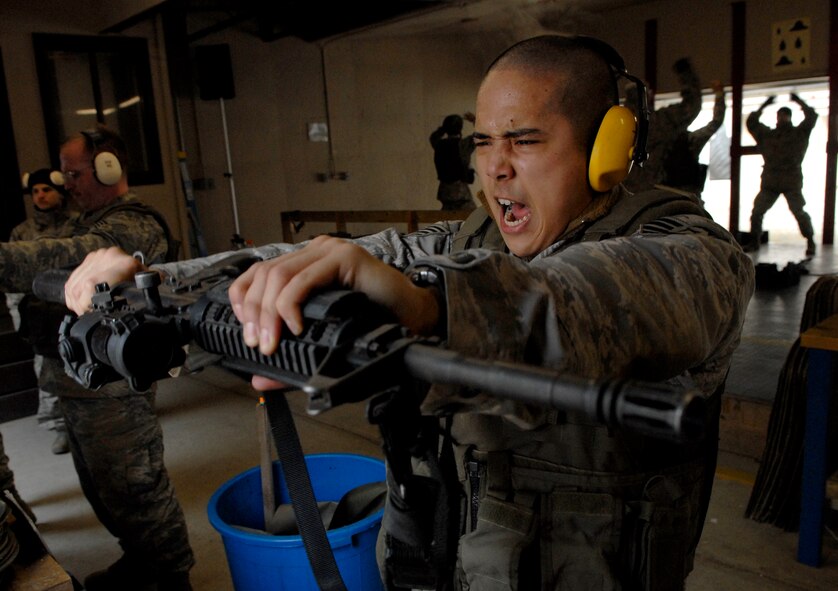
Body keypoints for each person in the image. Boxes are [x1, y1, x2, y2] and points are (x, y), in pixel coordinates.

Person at [65, 36, 754, 590]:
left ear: (607, 147)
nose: (495, 168)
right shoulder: (469, 242)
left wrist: (435, 305)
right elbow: (321, 258)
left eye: (524, 140)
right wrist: (160, 280)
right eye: (483, 142)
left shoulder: (692, 254)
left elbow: (588, 298)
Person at [0, 127, 193, 591]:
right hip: (79, 379)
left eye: (74, 174)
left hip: (114, 389)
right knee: (102, 485)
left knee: (135, 486)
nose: (66, 185)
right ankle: (139, 560)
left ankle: (170, 576)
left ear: (109, 167)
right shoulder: (85, 220)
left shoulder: (133, 224)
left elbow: (67, 257)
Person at [6, 168, 77, 455]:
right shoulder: (22, 233)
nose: (40, 195)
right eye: (35, 191)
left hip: (73, 307)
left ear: (59, 191)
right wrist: (20, 316)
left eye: (46, 189)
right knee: (47, 368)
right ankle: (60, 426)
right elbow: (13, 279)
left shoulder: (78, 225)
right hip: (40, 314)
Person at [744, 93, 818, 256]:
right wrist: (764, 105)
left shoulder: (799, 134)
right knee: (757, 212)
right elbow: (751, 123)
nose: (781, 118)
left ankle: (811, 241)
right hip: (770, 182)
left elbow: (811, 117)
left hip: (791, 182)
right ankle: (754, 242)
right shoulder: (768, 135)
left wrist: (799, 101)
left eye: (784, 115)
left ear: (789, 117)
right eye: (779, 115)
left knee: (799, 212)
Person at [624, 56, 702, 193]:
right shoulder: (661, 121)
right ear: (647, 96)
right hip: (654, 193)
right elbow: (692, 105)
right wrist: (685, 73)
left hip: (623, 195)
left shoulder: (617, 125)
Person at [430, 112, 477, 210]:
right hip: (460, 192)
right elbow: (481, 135)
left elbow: (433, 137)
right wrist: (475, 121)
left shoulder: (439, 144)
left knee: (447, 218)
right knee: (475, 217)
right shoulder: (463, 145)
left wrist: (444, 128)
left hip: (444, 192)